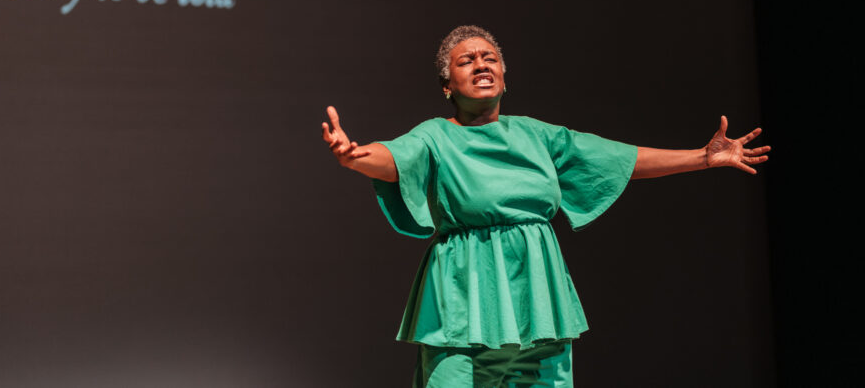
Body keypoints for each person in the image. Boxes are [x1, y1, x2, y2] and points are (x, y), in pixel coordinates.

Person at [321, 25, 768, 388]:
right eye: (467, 60)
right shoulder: (436, 136)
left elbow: (621, 159)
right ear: (446, 86)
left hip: (537, 295)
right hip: (464, 293)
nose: (481, 64)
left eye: (490, 58)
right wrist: (354, 156)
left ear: (504, 77)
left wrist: (703, 157)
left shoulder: (539, 136)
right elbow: (394, 158)